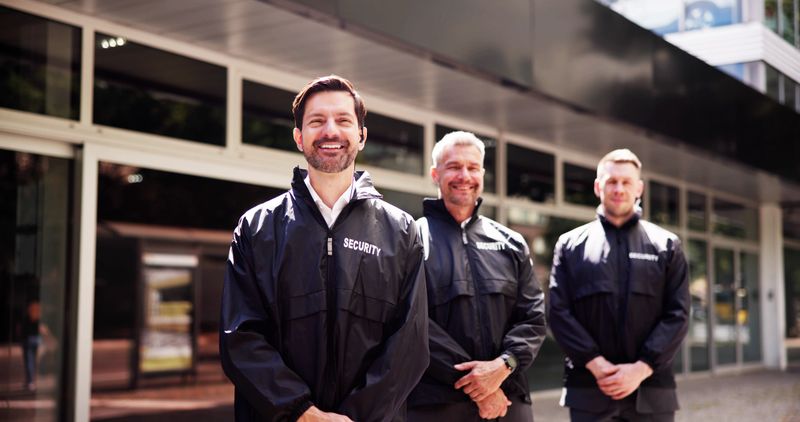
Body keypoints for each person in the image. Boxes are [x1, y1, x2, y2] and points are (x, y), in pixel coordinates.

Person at [220, 75, 429, 422]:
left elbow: (410, 343)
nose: (331, 131)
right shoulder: (256, 229)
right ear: (299, 137)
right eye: (317, 121)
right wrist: (302, 412)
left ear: (361, 136)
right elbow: (240, 339)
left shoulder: (401, 231)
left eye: (343, 120)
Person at [407, 131, 546, 421]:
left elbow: (533, 317)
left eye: (472, 167)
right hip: (438, 404)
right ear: (435, 174)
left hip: (510, 398)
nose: (464, 175)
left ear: (482, 174)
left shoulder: (511, 242)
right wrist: (480, 386)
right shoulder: (410, 240)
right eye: (454, 166)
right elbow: (411, 322)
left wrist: (503, 366)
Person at [548, 149, 690, 421]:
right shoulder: (570, 245)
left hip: (651, 390)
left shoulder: (666, 245)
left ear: (639, 188)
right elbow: (558, 312)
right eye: (611, 181)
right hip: (589, 387)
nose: (618, 189)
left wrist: (641, 368)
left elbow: (678, 314)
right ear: (598, 186)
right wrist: (596, 364)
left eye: (626, 182)